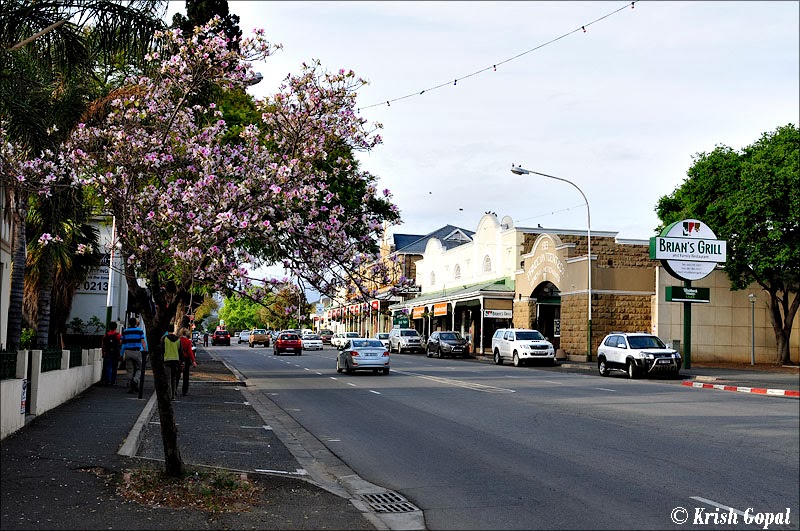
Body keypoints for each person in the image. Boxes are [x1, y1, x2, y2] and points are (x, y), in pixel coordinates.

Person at [121, 317, 147, 394]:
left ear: (129, 323)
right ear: (136, 323)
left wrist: (121, 354)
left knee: (130, 370)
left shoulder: (125, 331)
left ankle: (130, 386)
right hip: (136, 351)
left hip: (128, 351)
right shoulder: (139, 331)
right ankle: (135, 381)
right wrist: (145, 350)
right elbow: (143, 342)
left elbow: (122, 343)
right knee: (140, 368)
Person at [161, 329, 182, 400]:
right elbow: (180, 351)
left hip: (167, 360)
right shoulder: (178, 339)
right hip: (175, 360)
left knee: (168, 378)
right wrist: (181, 361)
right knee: (174, 378)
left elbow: (162, 349)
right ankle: (173, 395)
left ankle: (168, 395)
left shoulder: (164, 339)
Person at [177, 327, 197, 396]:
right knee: (186, 375)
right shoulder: (188, 341)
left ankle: (175, 389)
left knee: (177, 374)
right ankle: (184, 390)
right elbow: (190, 352)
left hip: (178, 358)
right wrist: (193, 361)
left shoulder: (178, 340)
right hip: (186, 359)